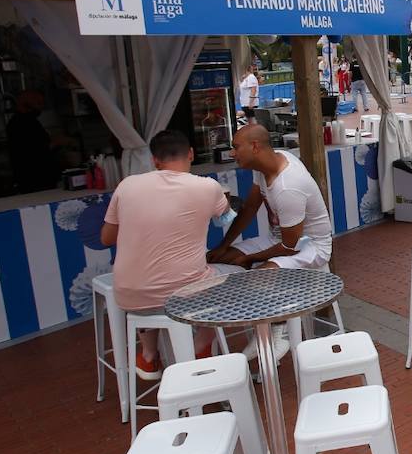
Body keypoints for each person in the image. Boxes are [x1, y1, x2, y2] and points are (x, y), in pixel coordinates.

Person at [102, 129, 230, 380]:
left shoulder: (127, 185)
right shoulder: (207, 187)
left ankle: (149, 356)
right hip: (186, 297)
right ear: (191, 154)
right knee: (228, 281)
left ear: (154, 160)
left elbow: (106, 238)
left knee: (151, 286)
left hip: (131, 295)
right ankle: (200, 349)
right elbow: (225, 218)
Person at [209, 124, 333, 272]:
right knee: (215, 258)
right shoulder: (268, 163)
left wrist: (249, 258)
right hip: (277, 240)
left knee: (259, 277)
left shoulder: (288, 187)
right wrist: (222, 247)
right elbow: (250, 208)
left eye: (236, 147)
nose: (231, 153)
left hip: (311, 246)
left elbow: (290, 247)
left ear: (255, 146)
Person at [7, 90, 59, 193]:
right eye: (38, 103)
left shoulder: (29, 120)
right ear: (26, 104)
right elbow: (36, 150)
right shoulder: (21, 123)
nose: (41, 107)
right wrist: (58, 142)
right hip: (34, 180)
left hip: (38, 179)